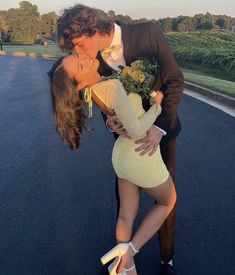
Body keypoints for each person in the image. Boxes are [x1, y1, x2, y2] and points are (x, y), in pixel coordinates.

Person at [57, 4, 184, 274]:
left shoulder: (148, 33)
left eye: (79, 45)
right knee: (131, 204)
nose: (78, 52)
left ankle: (166, 259)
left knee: (164, 202)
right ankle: (127, 265)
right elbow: (105, 103)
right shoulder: (95, 63)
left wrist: (159, 128)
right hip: (127, 142)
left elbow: (174, 79)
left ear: (93, 30)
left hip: (162, 133)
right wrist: (112, 124)